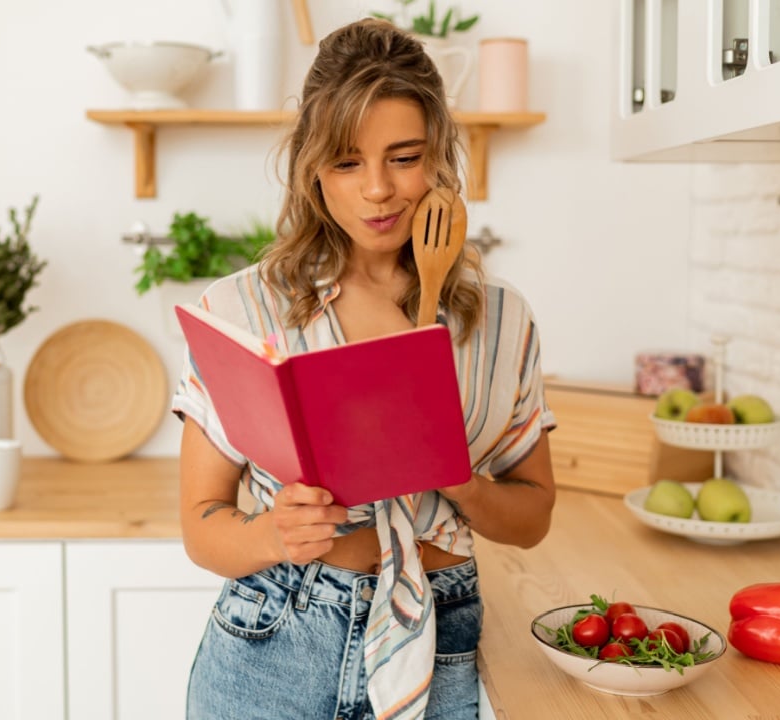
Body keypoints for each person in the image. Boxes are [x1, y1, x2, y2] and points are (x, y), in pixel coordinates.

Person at [172, 18, 556, 720]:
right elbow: (202, 525)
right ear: (313, 170)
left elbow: (533, 515)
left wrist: (457, 479)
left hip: (442, 640)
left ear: (439, 157)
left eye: (403, 158)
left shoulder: (501, 321)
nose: (378, 190)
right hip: (274, 642)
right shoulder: (241, 307)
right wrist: (271, 534)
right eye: (347, 162)